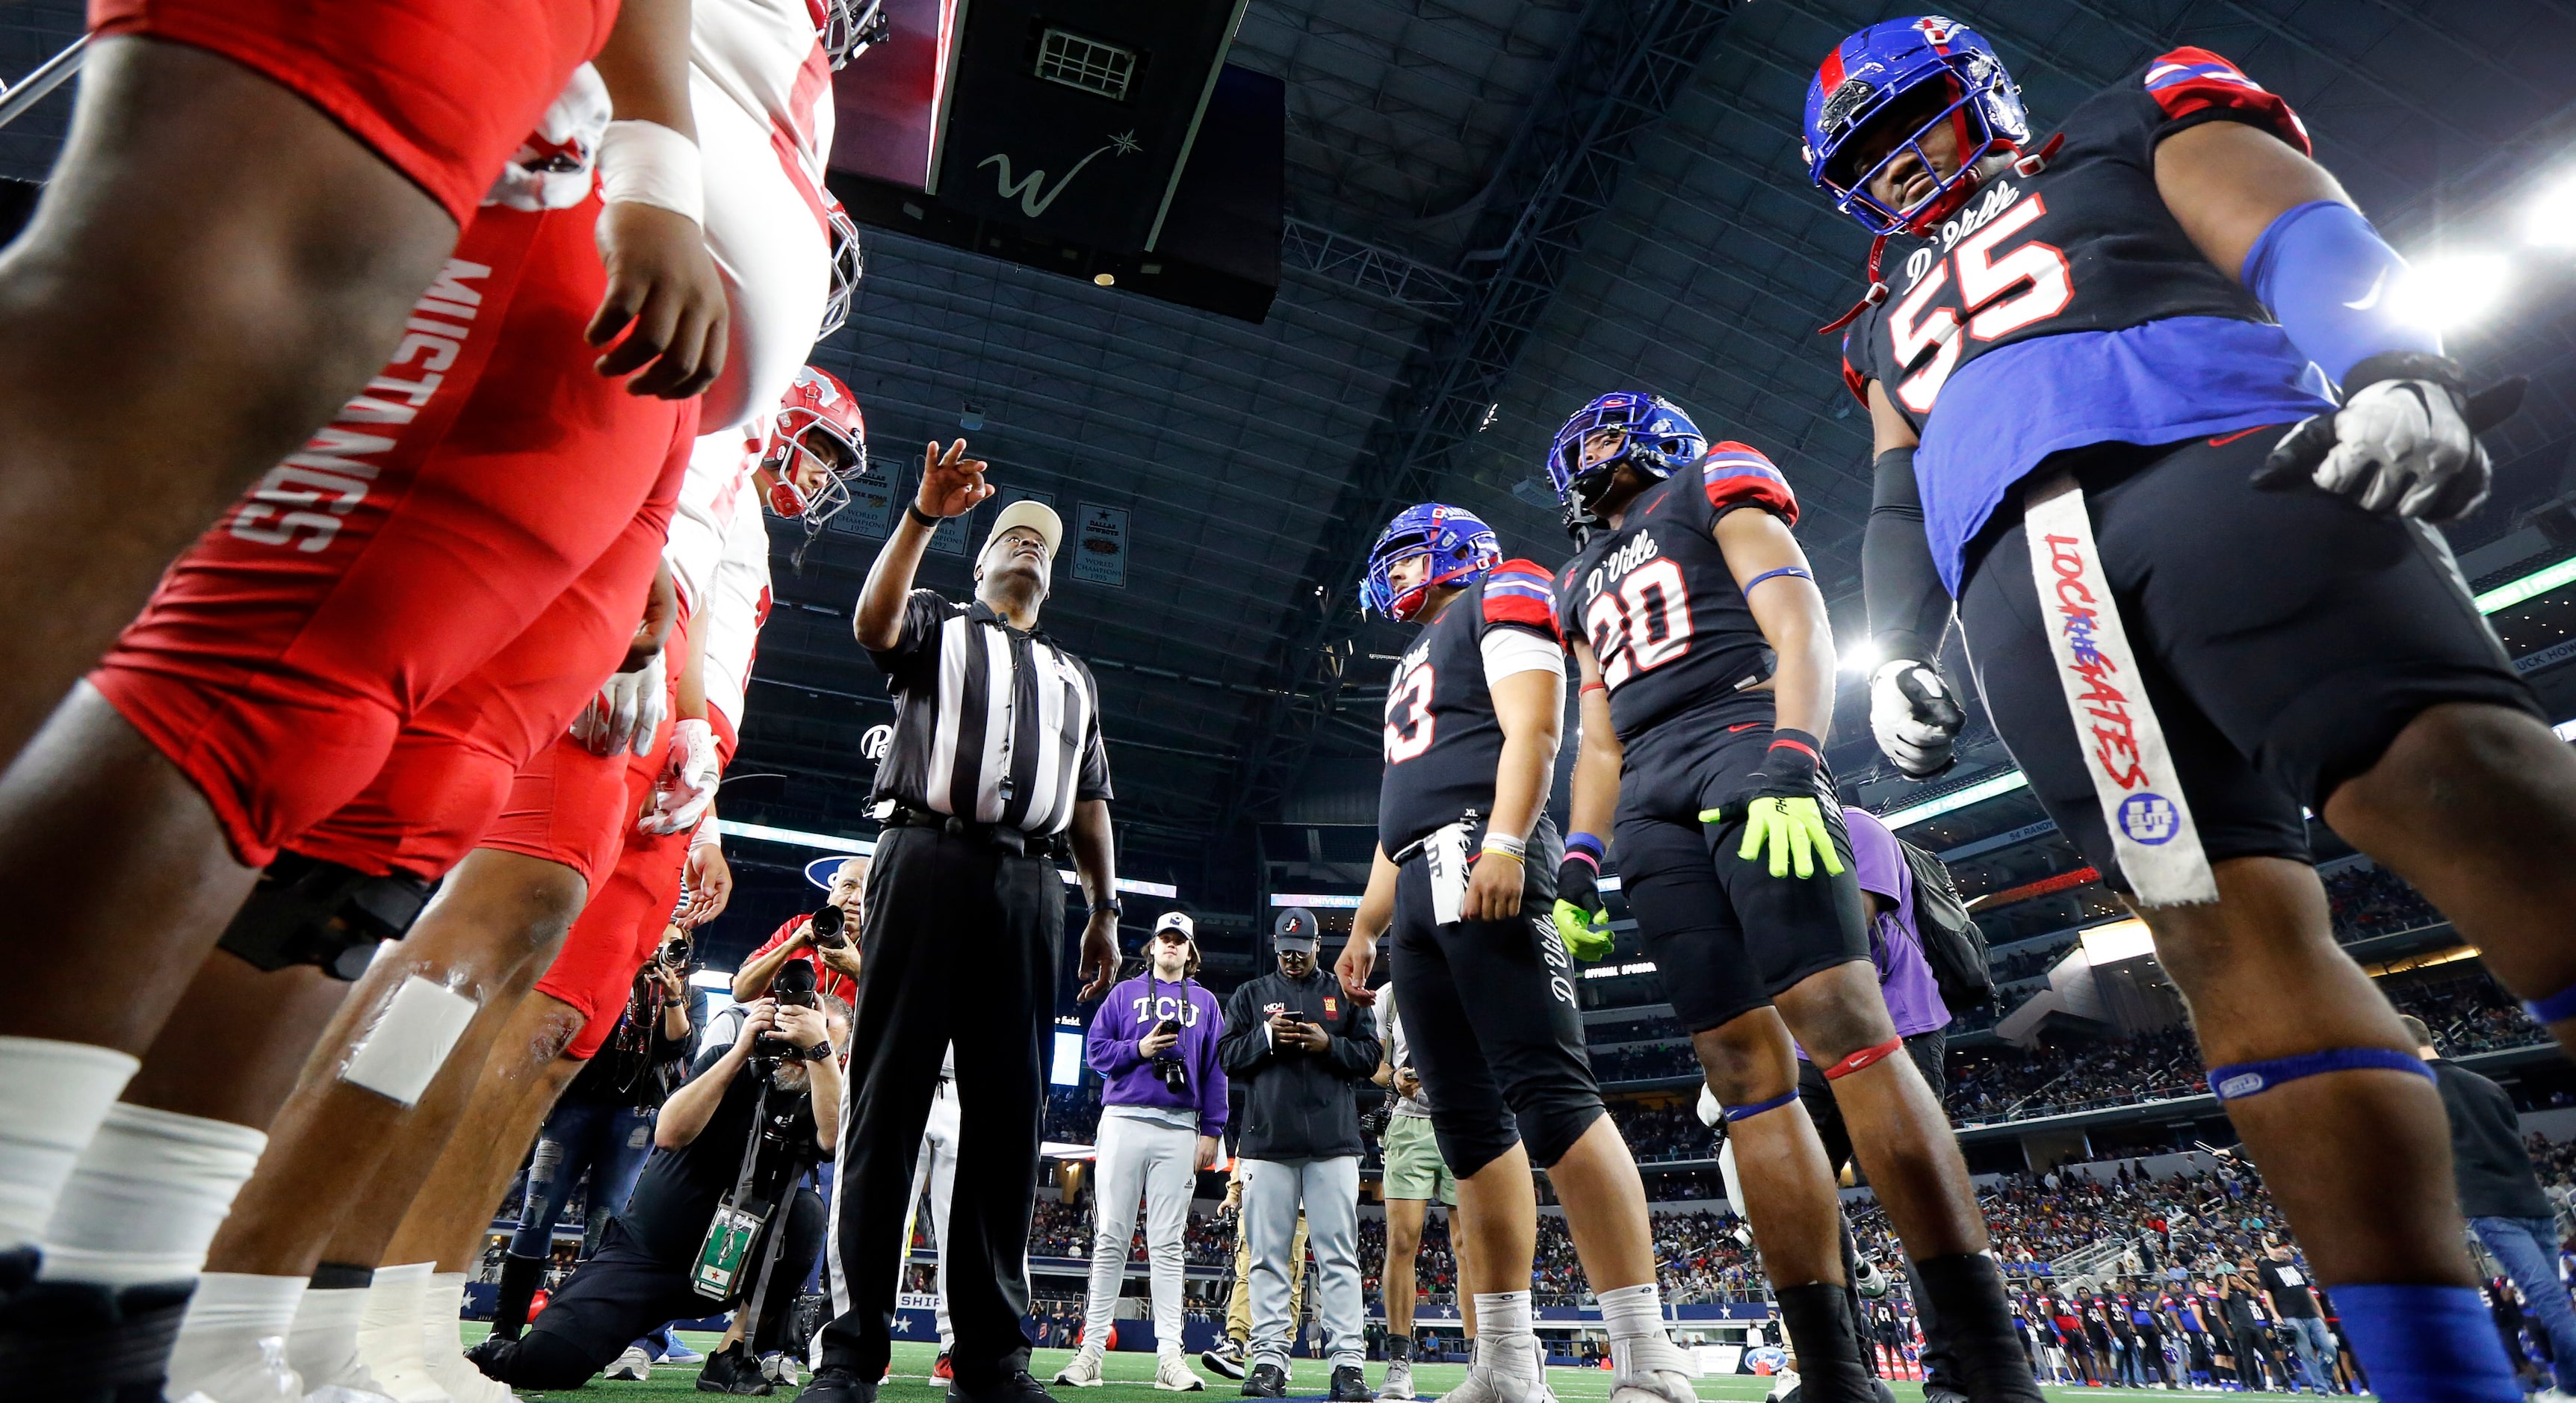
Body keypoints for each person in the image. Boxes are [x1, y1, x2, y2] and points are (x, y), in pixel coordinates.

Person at [1807, 16, 2563, 1398]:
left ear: (1972, 98)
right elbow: (1888, 494)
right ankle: (2439, 1379)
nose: (1895, 163)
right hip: (2027, 603)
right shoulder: (1875, 322)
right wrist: (1900, 648)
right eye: (1862, 151)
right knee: (2231, 961)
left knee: (2479, 797)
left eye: (1903, 120)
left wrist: (2398, 361)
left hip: (2221, 465)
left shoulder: (2123, 113)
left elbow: (2288, 228)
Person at [0, 8, 718, 1392]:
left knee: (366, 806)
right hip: (552, 180)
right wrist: (656, 169)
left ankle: (130, 1300)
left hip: (632, 327)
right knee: (211, 511)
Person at [164, 366, 852, 1403]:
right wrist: (630, 622)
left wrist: (702, 764)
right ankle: (253, 1297)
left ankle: (398, 1319)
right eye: (829, 446)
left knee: (547, 1040)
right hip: (609, 640)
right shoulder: (709, 400)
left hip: (672, 721)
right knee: (466, 976)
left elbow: (702, 593)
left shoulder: (741, 505)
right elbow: (635, 507)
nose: (828, 472)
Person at [1540, 393, 2034, 1403]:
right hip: (1650, 799)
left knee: (1847, 1028)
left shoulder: (1713, 479)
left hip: (1741, 738)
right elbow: (1596, 736)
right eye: (1579, 441)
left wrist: (1796, 753)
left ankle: (1989, 1365)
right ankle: (1834, 1373)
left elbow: (1800, 619)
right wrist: (1582, 853)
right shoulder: (1575, 577)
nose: (1593, 452)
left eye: (1608, 432)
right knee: (1739, 1074)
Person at [1334, 501, 1699, 1403]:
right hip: (1422, 873)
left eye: (1409, 551)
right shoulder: (1410, 662)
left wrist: (1506, 840)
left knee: (1551, 1091)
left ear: (1456, 548)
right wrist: (1364, 926)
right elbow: (1396, 815)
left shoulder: (1505, 588)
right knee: (1468, 1127)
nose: (1395, 570)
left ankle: (1646, 1352)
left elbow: (1537, 728)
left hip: (1478, 847)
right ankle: (1502, 1360)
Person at [807, 456, 1122, 1403]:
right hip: (925, 857)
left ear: (1052, 581)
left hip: (1033, 886)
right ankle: (850, 1353)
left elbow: (1093, 801)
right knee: (889, 1102)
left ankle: (990, 1357)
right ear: (980, 565)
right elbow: (871, 623)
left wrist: (1105, 908)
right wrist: (919, 517)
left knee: (1009, 1120)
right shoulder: (938, 620)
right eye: (1011, 537)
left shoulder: (1077, 676)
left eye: (1044, 545)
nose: (1029, 545)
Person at [465, 991, 845, 1390]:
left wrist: (816, 1051)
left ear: (840, 1048)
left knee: (807, 1214)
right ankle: (502, 1352)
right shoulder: (727, 1061)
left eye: (823, 1027)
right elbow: (668, 1133)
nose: (801, 1034)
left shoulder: (831, 1093)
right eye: (796, 1022)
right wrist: (740, 1050)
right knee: (546, 1365)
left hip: (730, 1266)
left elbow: (833, 1140)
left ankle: (732, 1354)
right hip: (643, 1255)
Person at [485, 927, 708, 1347]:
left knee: (604, 1227)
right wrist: (626, 975)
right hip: (575, 1104)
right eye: (653, 942)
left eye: (672, 946)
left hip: (635, 1116)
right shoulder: (608, 974)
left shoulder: (690, 994)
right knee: (535, 1212)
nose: (661, 953)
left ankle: (573, 1332)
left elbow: (679, 1049)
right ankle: (505, 1329)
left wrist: (673, 995)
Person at [1058, 914, 1228, 1392]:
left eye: (1180, 942)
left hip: (1179, 1126)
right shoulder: (1123, 994)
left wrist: (1213, 1129)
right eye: (1165, 939)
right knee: (1111, 1235)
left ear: (1190, 953)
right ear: (1152, 947)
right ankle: (1091, 1351)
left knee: (1168, 1244)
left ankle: (1170, 1357)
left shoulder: (1207, 1003)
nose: (1172, 947)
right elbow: (1095, 1052)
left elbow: (1216, 1070)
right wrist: (1141, 1047)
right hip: (1125, 1120)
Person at [1219, 911, 1381, 1401]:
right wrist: (1267, 1038)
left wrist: (1328, 1044)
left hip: (1333, 1144)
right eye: (1286, 949)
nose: (1293, 957)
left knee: (1338, 1257)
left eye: (1302, 948)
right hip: (1267, 1144)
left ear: (1318, 946)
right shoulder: (1250, 995)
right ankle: (1269, 1360)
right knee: (1268, 1259)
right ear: (1274, 944)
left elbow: (1372, 1056)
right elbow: (1225, 1058)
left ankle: (1348, 1365)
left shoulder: (1344, 991)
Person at [2410, 1014, 2576, 1398]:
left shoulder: (2417, 1091)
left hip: (2491, 1207)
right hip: (2533, 1202)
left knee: (2547, 1299)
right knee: (2552, 1298)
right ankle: (2568, 1386)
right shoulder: (2486, 1084)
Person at [1368, 981, 1474, 1402]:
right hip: (1409, 1122)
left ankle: (1479, 1363)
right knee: (1402, 1242)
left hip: (1464, 1121)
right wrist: (1394, 1078)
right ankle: (1398, 1364)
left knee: (1468, 1246)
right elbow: (1374, 1065)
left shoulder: (1470, 971)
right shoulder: (1390, 995)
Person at [1201, 1160, 1307, 1382]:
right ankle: (1236, 1345)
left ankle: (1282, 1349)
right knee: (1247, 1271)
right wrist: (1234, 1193)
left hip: (1296, 1196)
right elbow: (1245, 1145)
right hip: (1257, 1194)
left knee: (1289, 1276)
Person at [739, 856, 871, 1006]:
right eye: (848, 886)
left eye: (868, 891)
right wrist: (790, 945)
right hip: (784, 1025)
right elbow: (741, 992)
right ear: (832, 892)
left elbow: (898, 1012)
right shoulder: (799, 926)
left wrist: (857, 969)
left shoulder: (884, 944)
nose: (856, 899)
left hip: (845, 1029)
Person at [2255, 1239, 2333, 1394]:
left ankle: (2326, 1380)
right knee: (2306, 1353)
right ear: (2267, 1249)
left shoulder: (2292, 1264)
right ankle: (2321, 1389)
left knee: (2329, 1348)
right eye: (2274, 1247)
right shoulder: (2265, 1266)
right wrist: (2275, 1314)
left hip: (2310, 1312)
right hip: (2290, 1315)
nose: (2279, 1250)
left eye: (2279, 1247)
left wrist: (2319, 1311)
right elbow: (2267, 1292)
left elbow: (2306, 1290)